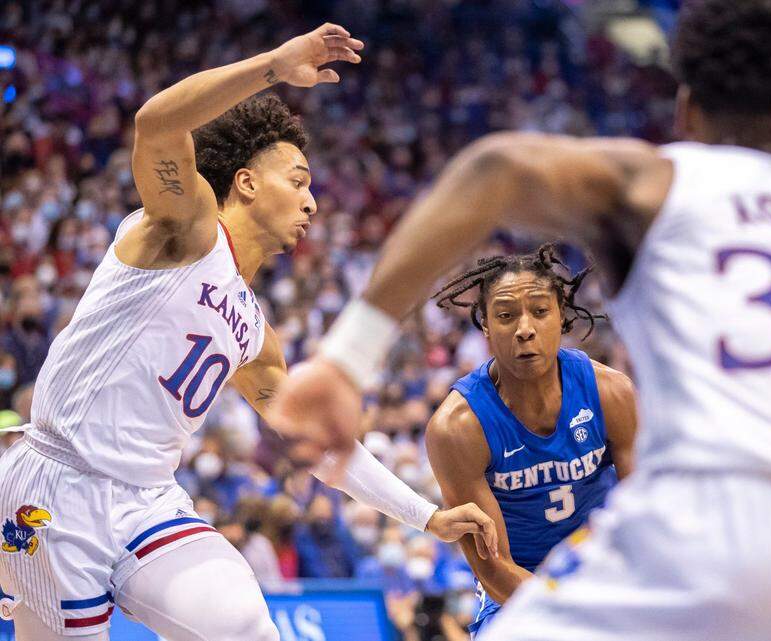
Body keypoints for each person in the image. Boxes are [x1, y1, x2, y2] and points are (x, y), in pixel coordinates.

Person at [273, 1, 771, 639]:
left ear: (685, 109)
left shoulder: (662, 185)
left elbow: (496, 169)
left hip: (705, 542)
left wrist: (347, 358)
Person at [0, 24, 495, 641]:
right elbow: (156, 124)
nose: (313, 202)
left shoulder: (255, 334)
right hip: (56, 480)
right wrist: (273, 65)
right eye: (299, 179)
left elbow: (325, 453)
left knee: (246, 626)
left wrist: (426, 516)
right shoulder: (186, 229)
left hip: (149, 499)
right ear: (247, 182)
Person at [425, 245, 637, 636]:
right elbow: (493, 568)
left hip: (610, 579)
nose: (525, 328)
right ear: (486, 325)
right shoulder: (457, 427)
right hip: (518, 593)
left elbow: (649, 512)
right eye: (506, 316)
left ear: (561, 316)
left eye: (540, 311)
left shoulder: (612, 392)